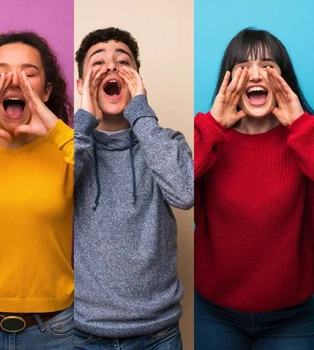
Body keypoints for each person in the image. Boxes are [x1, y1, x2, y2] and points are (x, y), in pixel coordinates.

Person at [73, 27, 194, 349]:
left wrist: (141, 114)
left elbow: (185, 193)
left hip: (159, 334)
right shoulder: (68, 147)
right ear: (82, 86)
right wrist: (83, 120)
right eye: (98, 62)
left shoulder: (167, 142)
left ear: (138, 81)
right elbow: (49, 194)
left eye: (123, 62)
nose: (111, 67)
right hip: (83, 334)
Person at [194, 28, 314, 349]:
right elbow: (174, 187)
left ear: (283, 78)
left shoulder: (307, 136)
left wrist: (302, 126)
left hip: (294, 317)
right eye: (244, 66)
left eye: (268, 65)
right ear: (229, 80)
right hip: (214, 314)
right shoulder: (205, 136)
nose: (257, 74)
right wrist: (212, 125)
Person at [0, 31, 74, 349]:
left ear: (46, 91)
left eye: (28, 74)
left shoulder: (65, 151)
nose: (14, 81)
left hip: (55, 332)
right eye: (1, 73)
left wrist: (55, 130)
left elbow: (101, 175)